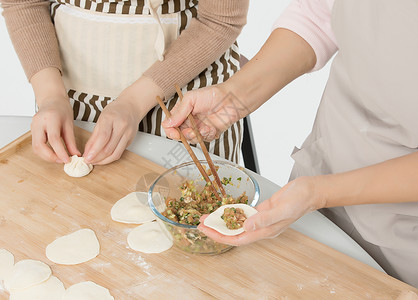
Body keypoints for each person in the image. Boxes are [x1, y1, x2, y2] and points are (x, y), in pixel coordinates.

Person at [162, 0, 418, 288]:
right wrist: (233, 98)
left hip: (404, 238)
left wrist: (318, 193)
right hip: (322, 177)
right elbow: (318, 16)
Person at [0, 0, 249, 165]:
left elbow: (220, 20)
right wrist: (50, 96)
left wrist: (132, 103)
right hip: (69, 98)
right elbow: (23, 3)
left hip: (183, 100)